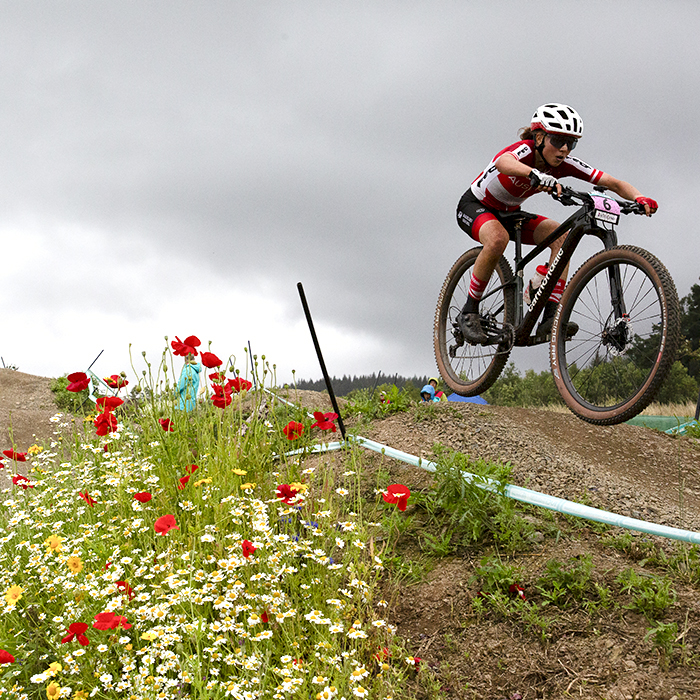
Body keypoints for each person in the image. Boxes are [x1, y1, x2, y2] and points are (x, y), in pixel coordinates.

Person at [455, 103, 658, 344]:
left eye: (571, 143)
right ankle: (469, 311)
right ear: (539, 137)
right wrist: (535, 174)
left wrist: (639, 197)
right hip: (476, 206)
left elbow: (612, 182)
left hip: (511, 212)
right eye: (558, 140)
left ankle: (551, 315)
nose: (564, 149)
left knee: (561, 236)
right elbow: (503, 162)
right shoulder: (526, 150)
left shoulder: (563, 164)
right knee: (498, 239)